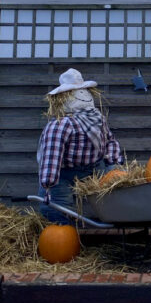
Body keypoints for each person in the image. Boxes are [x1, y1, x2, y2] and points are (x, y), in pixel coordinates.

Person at [37, 68, 123, 224]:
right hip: (92, 171)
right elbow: (111, 141)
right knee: (108, 202)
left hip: (71, 172)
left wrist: (48, 185)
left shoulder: (60, 125)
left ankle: (62, 226)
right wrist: (113, 165)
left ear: (61, 99)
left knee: (55, 208)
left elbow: (51, 157)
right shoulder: (97, 118)